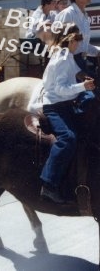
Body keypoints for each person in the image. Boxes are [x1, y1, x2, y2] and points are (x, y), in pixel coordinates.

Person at [40, 28, 95, 204]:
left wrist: (82, 76)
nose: (78, 44)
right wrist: (82, 87)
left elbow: (74, 70)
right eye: (77, 41)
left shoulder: (67, 56)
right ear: (70, 41)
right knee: (68, 138)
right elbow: (59, 89)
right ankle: (49, 184)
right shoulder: (62, 59)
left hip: (64, 104)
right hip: (54, 105)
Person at [55, 0, 100, 76]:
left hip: (82, 63)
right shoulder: (67, 14)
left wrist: (98, 51)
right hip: (68, 68)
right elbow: (60, 49)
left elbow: (83, 47)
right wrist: (77, 72)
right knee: (89, 92)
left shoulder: (85, 16)